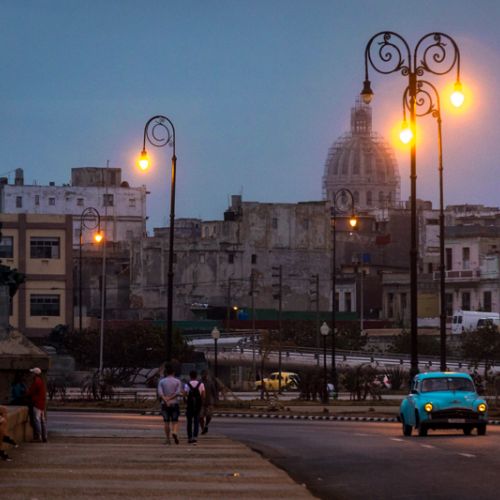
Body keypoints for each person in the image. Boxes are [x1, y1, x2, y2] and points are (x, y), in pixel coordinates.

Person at [157, 364, 182, 445]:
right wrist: (170, 399)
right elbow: (177, 392)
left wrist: (166, 400)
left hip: (165, 404)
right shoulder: (177, 381)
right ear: (173, 373)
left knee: (166, 422)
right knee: (175, 421)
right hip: (174, 403)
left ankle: (167, 439)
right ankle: (174, 432)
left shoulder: (162, 381)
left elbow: (160, 393)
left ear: (166, 373)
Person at [26, 367, 48, 443]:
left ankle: (39, 436)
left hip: (37, 403)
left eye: (32, 373)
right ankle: (45, 436)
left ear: (35, 374)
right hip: (42, 403)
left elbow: (31, 392)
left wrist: (27, 393)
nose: (31, 374)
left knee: (37, 420)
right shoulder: (41, 381)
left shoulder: (36, 382)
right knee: (42, 420)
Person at [184, 370, 205, 444]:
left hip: (189, 406)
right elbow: (203, 395)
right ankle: (195, 437)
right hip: (198, 406)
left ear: (190, 376)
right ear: (196, 376)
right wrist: (200, 403)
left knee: (189, 422)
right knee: (196, 421)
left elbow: (185, 395)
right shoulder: (201, 384)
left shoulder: (187, 385)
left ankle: (189, 437)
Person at [199, 370, 217, 435]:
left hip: (209, 402)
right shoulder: (199, 383)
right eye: (203, 374)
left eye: (206, 374)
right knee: (200, 416)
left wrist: (215, 400)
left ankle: (206, 425)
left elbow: (214, 392)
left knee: (209, 415)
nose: (204, 376)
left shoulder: (210, 383)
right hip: (201, 403)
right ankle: (203, 428)